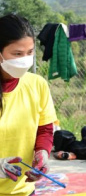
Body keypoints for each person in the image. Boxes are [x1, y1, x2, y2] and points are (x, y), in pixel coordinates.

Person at [0, 14, 57, 195]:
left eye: (30, 52)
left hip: (23, 190)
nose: (25, 59)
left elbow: (45, 129)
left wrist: (42, 154)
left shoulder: (37, 85)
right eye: (17, 54)